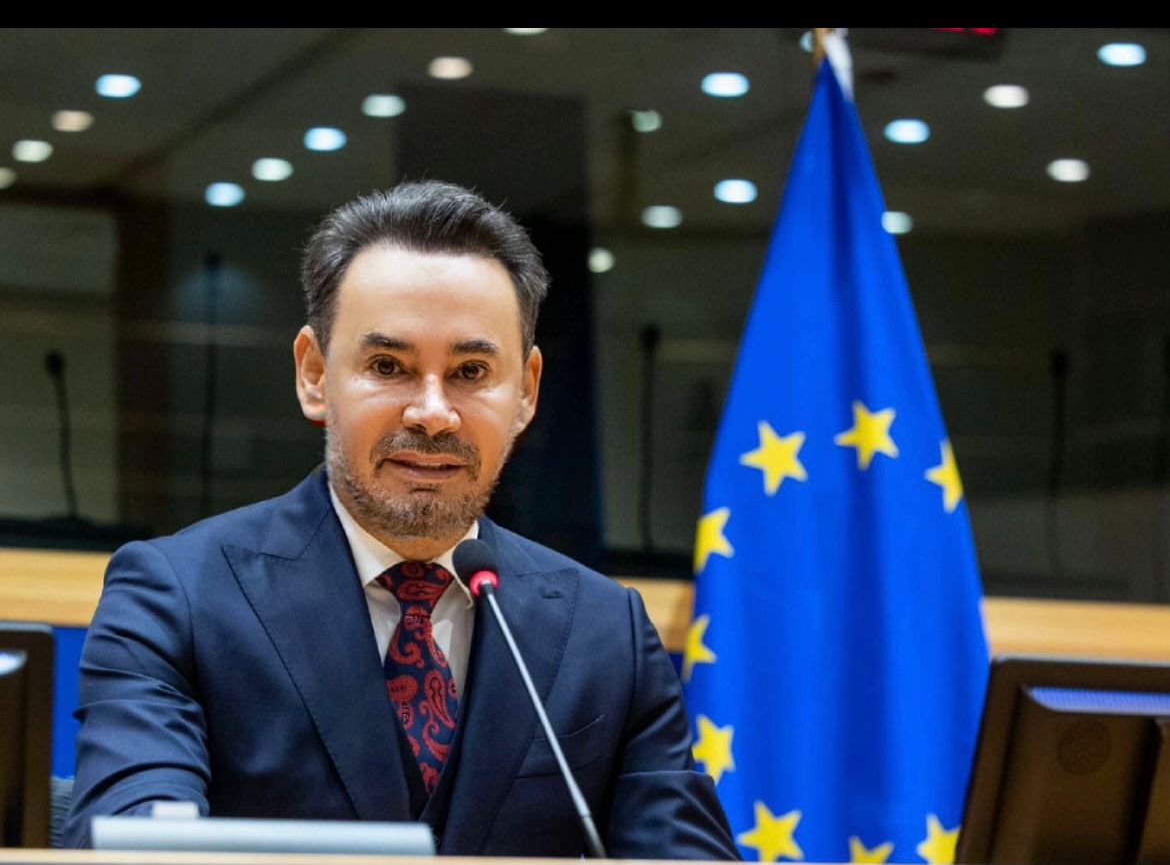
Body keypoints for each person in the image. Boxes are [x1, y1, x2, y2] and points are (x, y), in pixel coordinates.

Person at [64, 181, 739, 858]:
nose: (432, 413)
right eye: (389, 366)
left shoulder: (607, 633)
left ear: (526, 392)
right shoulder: (175, 599)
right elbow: (132, 846)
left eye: (471, 371)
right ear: (315, 375)